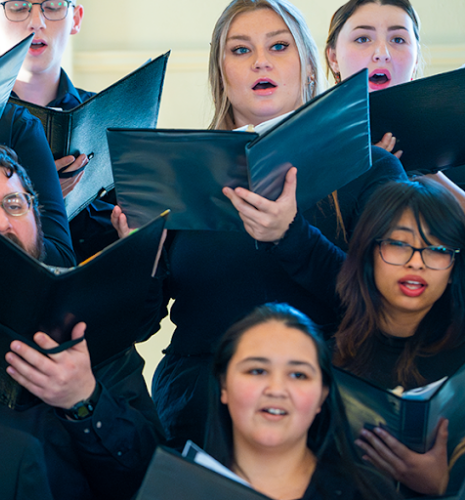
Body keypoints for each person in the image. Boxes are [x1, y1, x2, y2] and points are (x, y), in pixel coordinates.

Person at [111, 0, 408, 451]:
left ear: (309, 65)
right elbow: (137, 326)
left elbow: (383, 307)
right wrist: (137, 257)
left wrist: (291, 236)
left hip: (324, 406)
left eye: (278, 46)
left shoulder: (370, 168)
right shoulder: (175, 172)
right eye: (240, 50)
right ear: (222, 74)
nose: (261, 61)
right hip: (199, 409)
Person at [0, 141, 164, 500]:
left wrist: (84, 401)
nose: (1, 222)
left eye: (14, 204)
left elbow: (153, 478)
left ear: (38, 219)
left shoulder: (92, 326)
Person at [255, 177, 465, 497]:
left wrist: (442, 488)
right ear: (368, 253)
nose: (416, 262)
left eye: (436, 249)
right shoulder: (323, 362)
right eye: (399, 243)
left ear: (453, 267)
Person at [205, 303, 399, 500]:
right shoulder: (181, 487)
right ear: (224, 386)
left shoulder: (368, 494)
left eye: (298, 375)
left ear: (322, 395)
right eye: (257, 371)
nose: (277, 390)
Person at [0, 0, 119, 262]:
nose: (37, 21)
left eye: (53, 6)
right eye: (18, 6)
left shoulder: (108, 114)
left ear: (76, 18)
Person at [323, 0, 465, 211]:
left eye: (398, 39)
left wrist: (423, 170)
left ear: (416, 59)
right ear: (333, 57)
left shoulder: (455, 144)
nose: (382, 53)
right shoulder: (308, 150)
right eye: (362, 39)